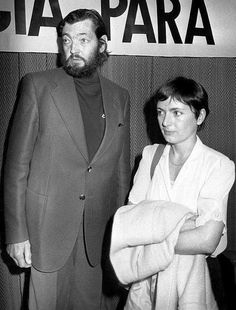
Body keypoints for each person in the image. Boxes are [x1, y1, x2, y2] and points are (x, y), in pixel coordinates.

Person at [4, 9, 131, 310]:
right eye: (66, 40)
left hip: (96, 235)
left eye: (83, 39)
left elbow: (121, 170)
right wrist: (16, 233)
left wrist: (121, 234)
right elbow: (15, 167)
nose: (72, 48)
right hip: (45, 231)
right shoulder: (37, 85)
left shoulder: (120, 96)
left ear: (101, 45)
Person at [110, 76, 235, 309]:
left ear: (199, 117)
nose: (166, 121)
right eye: (160, 112)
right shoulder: (150, 156)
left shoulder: (218, 165)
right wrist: (186, 225)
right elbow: (131, 227)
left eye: (177, 113)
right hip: (148, 279)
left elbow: (207, 241)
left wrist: (152, 237)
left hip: (198, 277)